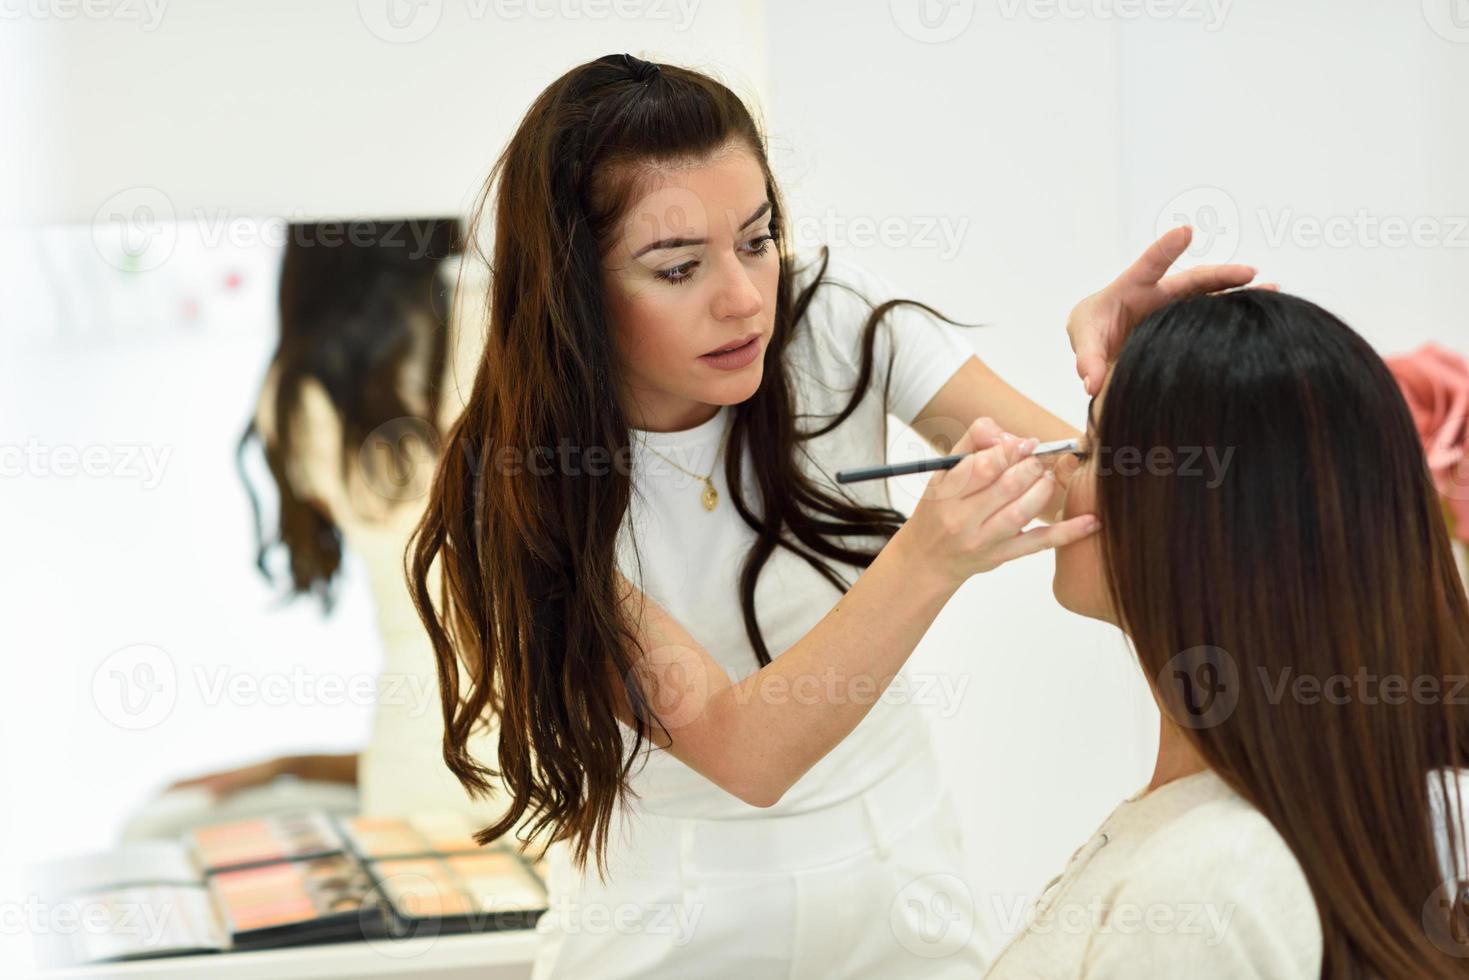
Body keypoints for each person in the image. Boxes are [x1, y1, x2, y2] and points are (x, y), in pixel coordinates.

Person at [406, 52, 1262, 977]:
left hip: (897, 886)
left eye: (757, 238)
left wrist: (1128, 379)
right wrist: (926, 560)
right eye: (678, 267)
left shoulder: (830, 324)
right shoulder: (522, 484)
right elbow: (745, 754)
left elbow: (1103, 495)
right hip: (672, 917)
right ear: (575, 289)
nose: (742, 299)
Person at [986, 289, 1469, 977]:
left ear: (1194, 521)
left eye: (1090, 448)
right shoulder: (1344, 820)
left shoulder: (1203, 889)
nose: (1062, 473)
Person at [169, 217, 507, 824]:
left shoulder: (291, 391)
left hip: (408, 776)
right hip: (551, 763)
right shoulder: (501, 314)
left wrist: (289, 765)